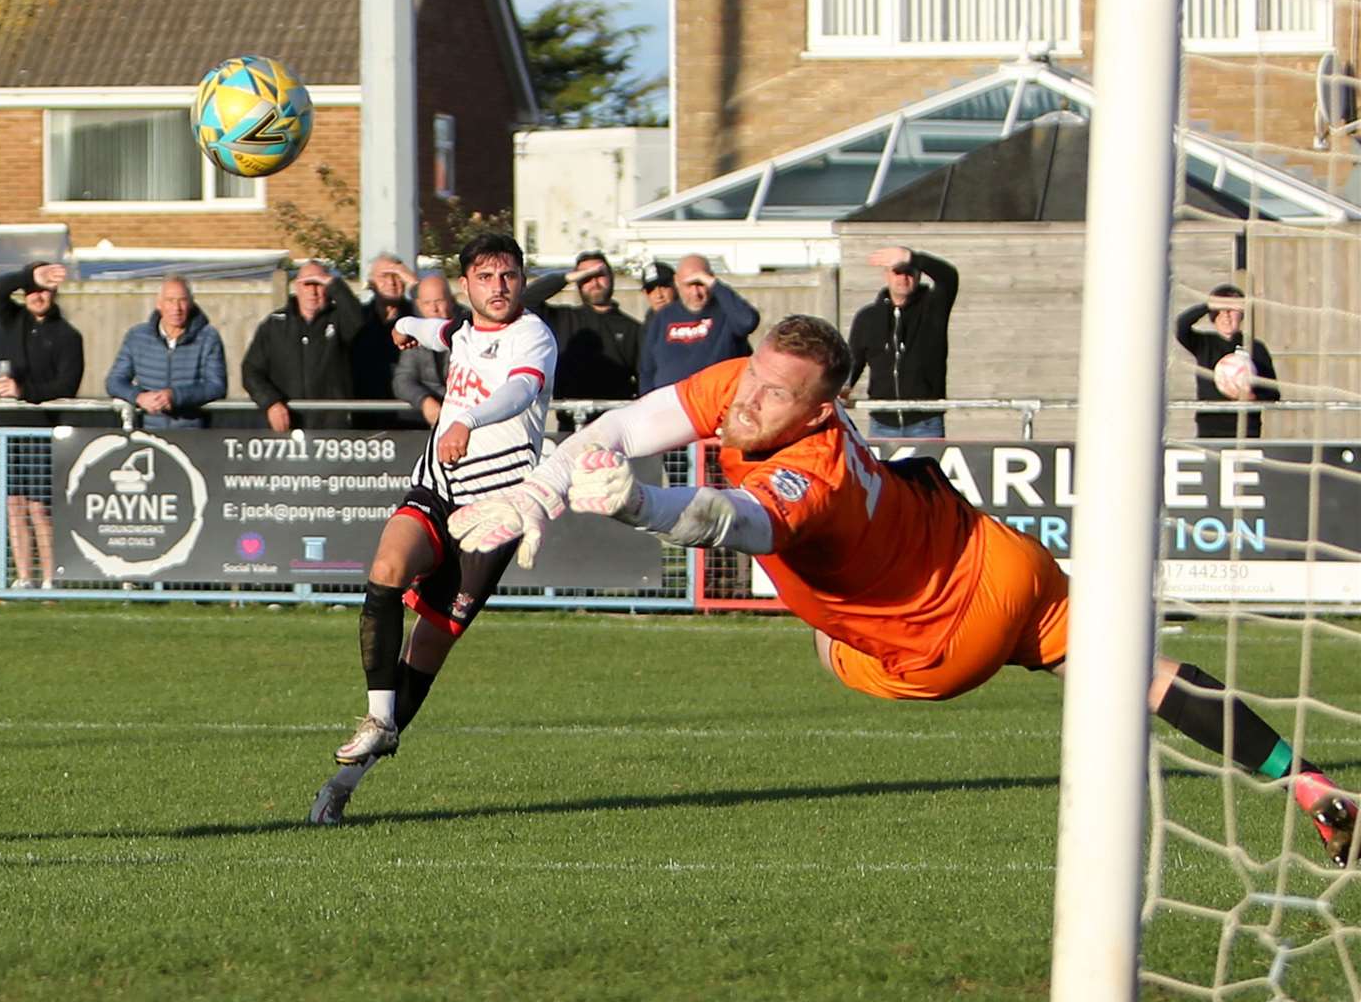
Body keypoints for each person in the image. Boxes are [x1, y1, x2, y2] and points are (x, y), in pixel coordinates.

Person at [448, 314, 1359, 868]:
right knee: (1147, 676)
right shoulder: (746, 384)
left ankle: (1307, 785)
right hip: (1002, 559)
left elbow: (739, 522)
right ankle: (1310, 783)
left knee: (824, 639)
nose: (750, 403)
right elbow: (630, 420)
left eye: (777, 396)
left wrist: (643, 503)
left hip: (938, 648)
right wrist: (546, 480)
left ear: (822, 412)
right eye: (754, 379)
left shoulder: (815, 473)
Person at [308, 231, 557, 825]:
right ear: (466, 285)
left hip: (494, 512)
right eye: (487, 277)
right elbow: (444, 334)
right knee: (386, 567)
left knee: (426, 651)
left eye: (510, 276)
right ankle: (376, 719)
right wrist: (409, 329)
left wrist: (466, 417)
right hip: (437, 487)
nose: (500, 287)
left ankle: (348, 778)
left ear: (521, 281)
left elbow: (521, 387)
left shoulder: (534, 336)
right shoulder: (464, 330)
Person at [0, 261, 84, 589]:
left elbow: (66, 386)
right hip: (7, 429)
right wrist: (29, 275)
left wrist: (24, 392)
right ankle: (23, 577)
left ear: (54, 292)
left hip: (43, 431)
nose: (37, 296)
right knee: (14, 505)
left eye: (44, 289)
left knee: (40, 508)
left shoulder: (69, 336)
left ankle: (49, 578)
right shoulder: (12, 319)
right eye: (32, 289)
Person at [846, 246, 959, 439]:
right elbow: (854, 360)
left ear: (918, 276)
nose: (903, 279)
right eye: (897, 273)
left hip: (925, 422)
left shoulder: (933, 307)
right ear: (887, 276)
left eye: (909, 272)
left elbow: (948, 277)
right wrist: (843, 386)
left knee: (925, 470)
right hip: (882, 424)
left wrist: (912, 257)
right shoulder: (868, 317)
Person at [522, 249, 640, 429]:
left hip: (615, 426)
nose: (594, 282)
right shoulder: (564, 318)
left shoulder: (632, 328)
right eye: (586, 277)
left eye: (600, 275)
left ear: (611, 278)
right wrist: (567, 278)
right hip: (570, 426)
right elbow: (526, 300)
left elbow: (643, 377)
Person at [242, 262, 367, 431]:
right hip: (287, 427)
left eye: (319, 285)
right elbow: (251, 370)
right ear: (297, 287)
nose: (313, 292)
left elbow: (358, 321)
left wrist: (334, 283)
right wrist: (271, 402)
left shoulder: (338, 320)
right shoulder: (275, 325)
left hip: (332, 428)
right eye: (308, 284)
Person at [105, 276, 227, 429]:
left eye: (182, 300)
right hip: (148, 433)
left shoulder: (208, 338)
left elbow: (216, 386)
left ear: (190, 303)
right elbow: (114, 381)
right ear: (159, 304)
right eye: (170, 300)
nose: (176, 308)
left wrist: (176, 396)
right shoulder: (137, 337)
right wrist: (139, 397)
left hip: (193, 434)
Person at [638, 254, 758, 395]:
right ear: (676, 282)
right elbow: (647, 370)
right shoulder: (662, 318)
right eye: (689, 285)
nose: (695, 293)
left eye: (700, 284)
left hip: (716, 403)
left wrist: (715, 285)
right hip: (671, 406)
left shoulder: (726, 312)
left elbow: (748, 322)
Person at [1175, 284, 1279, 439]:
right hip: (1210, 429)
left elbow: (1273, 393)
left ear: (1242, 314)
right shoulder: (1203, 343)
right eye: (1221, 311)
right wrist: (1209, 304)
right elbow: (1181, 326)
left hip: (1246, 431)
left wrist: (1252, 397)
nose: (1226, 316)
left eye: (1232, 310)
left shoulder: (1255, 348)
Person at [350, 252, 418, 427]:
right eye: (384, 276)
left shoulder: (418, 317)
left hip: (412, 416)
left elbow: (448, 319)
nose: (392, 282)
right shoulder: (357, 318)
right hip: (365, 416)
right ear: (371, 283)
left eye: (397, 275)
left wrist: (416, 285)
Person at [391, 273, 458, 427]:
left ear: (452, 301)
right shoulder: (414, 333)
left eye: (439, 301)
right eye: (427, 303)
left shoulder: (468, 327)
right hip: (424, 422)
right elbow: (402, 380)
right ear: (419, 305)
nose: (434, 309)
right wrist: (424, 400)